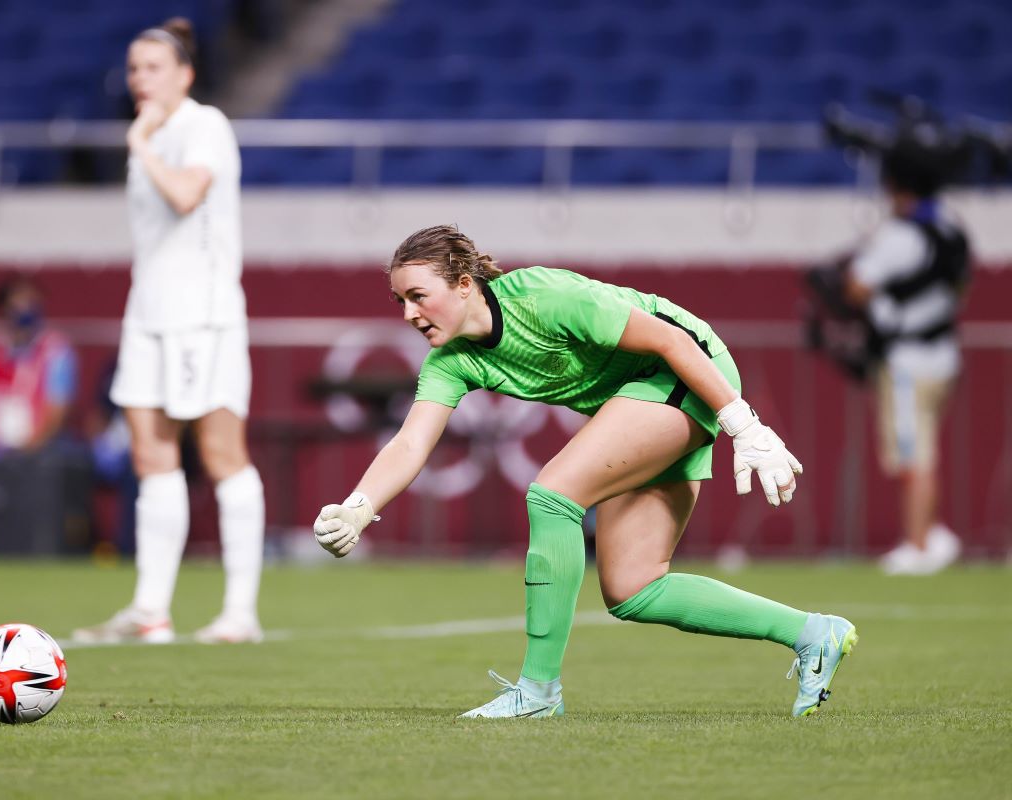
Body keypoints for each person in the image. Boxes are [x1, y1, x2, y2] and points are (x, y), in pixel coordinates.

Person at [313, 225, 858, 718]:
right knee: (634, 588)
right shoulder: (451, 362)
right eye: (400, 300)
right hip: (640, 395)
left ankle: (538, 692)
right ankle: (814, 633)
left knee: (552, 494)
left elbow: (671, 340)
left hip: (685, 368)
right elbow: (410, 442)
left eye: (417, 296)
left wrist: (743, 425)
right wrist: (359, 509)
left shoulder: (542, 296)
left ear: (462, 283)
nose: (408, 314)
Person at [74, 17, 265, 645]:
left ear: (184, 74)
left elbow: (187, 195)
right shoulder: (151, 135)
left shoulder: (201, 126)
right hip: (149, 315)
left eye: (153, 67)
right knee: (150, 456)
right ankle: (150, 611)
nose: (140, 78)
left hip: (201, 317)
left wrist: (143, 145)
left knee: (220, 453)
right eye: (133, 68)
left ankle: (240, 613)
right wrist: (144, 142)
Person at [845, 141, 968, 576]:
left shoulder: (900, 236)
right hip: (943, 354)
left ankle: (918, 545)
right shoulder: (951, 228)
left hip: (907, 361)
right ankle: (931, 534)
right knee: (923, 447)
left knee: (914, 455)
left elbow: (857, 286)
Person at [0, 276, 83, 555]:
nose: (23, 310)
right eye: (16, 304)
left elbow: (56, 411)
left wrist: (24, 447)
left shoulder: (56, 352)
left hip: (38, 445)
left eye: (30, 303)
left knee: (45, 464)